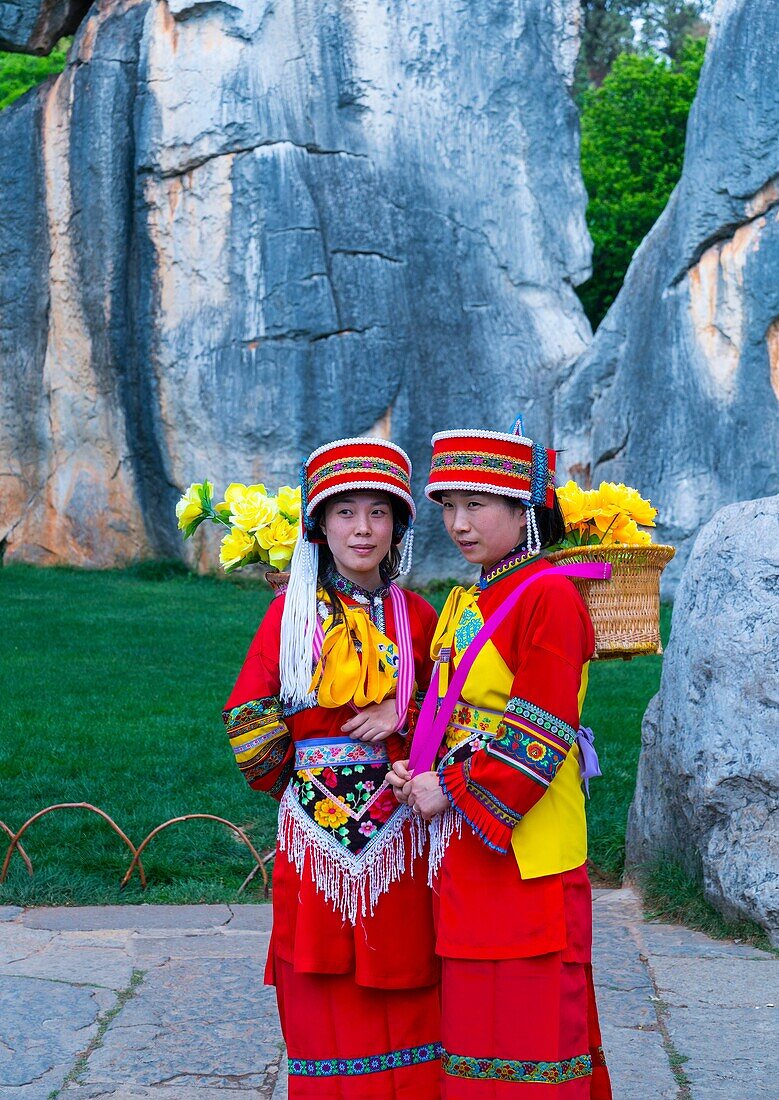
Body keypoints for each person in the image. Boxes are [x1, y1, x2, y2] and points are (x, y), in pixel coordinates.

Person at [388, 421, 613, 1098]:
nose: (458, 523)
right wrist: (413, 763)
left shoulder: (547, 596)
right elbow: (444, 704)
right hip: (470, 844)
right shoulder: (469, 595)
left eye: (476, 505)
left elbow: (541, 730)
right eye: (448, 506)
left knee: (533, 1023)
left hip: (526, 850)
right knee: (476, 1024)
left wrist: (448, 788)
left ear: (523, 511)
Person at [223, 437, 441, 1099]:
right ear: (319, 524)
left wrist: (398, 720)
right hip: (316, 833)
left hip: (399, 829)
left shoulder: (420, 616)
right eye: (345, 513)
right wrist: (301, 774)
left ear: (398, 526)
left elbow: (448, 720)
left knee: (404, 963)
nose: (363, 529)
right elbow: (246, 714)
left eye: (379, 513)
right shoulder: (289, 616)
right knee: (319, 972)